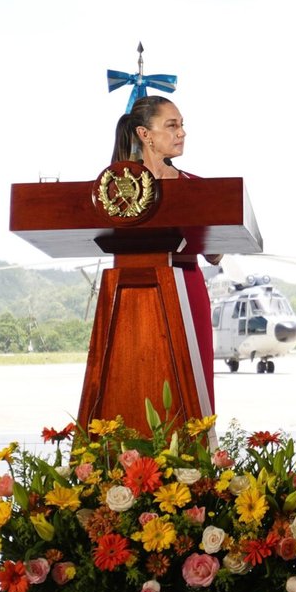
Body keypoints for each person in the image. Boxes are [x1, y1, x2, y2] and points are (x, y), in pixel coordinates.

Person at [111, 95, 221, 410]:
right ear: (144, 134)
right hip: (134, 293)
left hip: (188, 289)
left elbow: (215, 255)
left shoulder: (196, 187)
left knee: (193, 387)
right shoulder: (115, 187)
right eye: (172, 125)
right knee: (134, 380)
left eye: (182, 125)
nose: (181, 132)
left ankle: (196, 443)